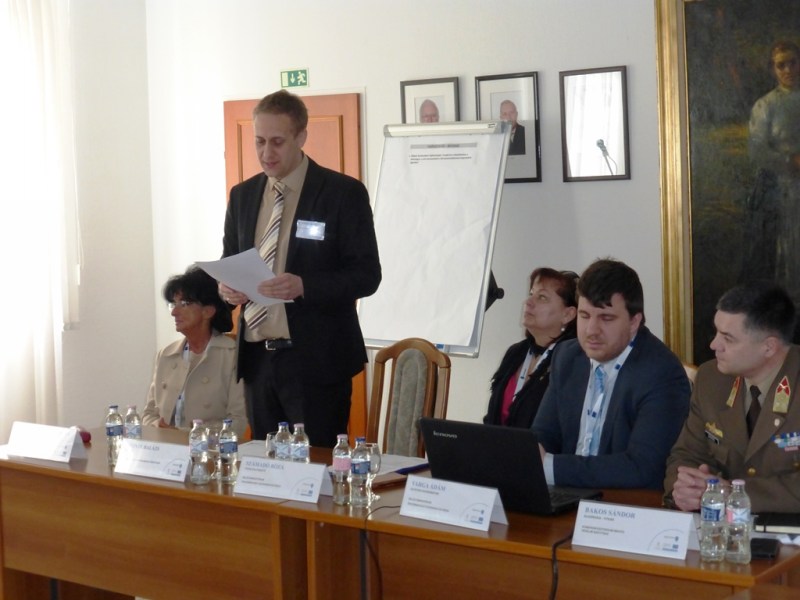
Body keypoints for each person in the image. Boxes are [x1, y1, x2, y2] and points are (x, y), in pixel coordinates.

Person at [218, 90, 381, 447]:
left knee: (316, 468)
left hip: (317, 363)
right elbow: (229, 260)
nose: (266, 153)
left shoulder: (342, 193)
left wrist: (305, 285)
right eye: (259, 141)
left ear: (301, 137)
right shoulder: (243, 196)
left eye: (277, 142)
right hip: (258, 360)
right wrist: (226, 289)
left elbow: (367, 275)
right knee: (265, 467)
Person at [531, 258, 690, 489]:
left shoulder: (661, 373)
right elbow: (544, 435)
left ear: (634, 321)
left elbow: (642, 469)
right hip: (565, 495)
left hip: (622, 503)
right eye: (585, 316)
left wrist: (550, 468)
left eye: (606, 318)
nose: (591, 330)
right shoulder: (567, 357)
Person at [664, 282, 800, 513]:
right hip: (718, 525)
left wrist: (733, 494)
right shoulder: (711, 379)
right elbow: (686, 455)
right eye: (716, 332)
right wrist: (685, 489)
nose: (714, 345)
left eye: (728, 338)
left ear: (769, 347)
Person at [143, 266, 247, 436]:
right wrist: (159, 428)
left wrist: (182, 434)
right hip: (166, 446)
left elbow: (238, 422)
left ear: (208, 311)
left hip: (210, 449)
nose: (174, 312)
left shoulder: (232, 355)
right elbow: (149, 414)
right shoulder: (166, 355)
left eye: (184, 304)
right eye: (173, 304)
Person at [484, 268, 578, 428]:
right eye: (531, 294)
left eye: (542, 297)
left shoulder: (571, 361)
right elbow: (492, 418)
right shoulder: (516, 352)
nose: (528, 302)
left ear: (568, 314)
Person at [742, 41, 800, 298]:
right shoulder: (766, 105)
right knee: (789, 246)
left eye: (793, 63)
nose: (788, 70)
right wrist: (791, 161)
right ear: (773, 69)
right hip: (783, 189)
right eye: (781, 65)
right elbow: (758, 151)